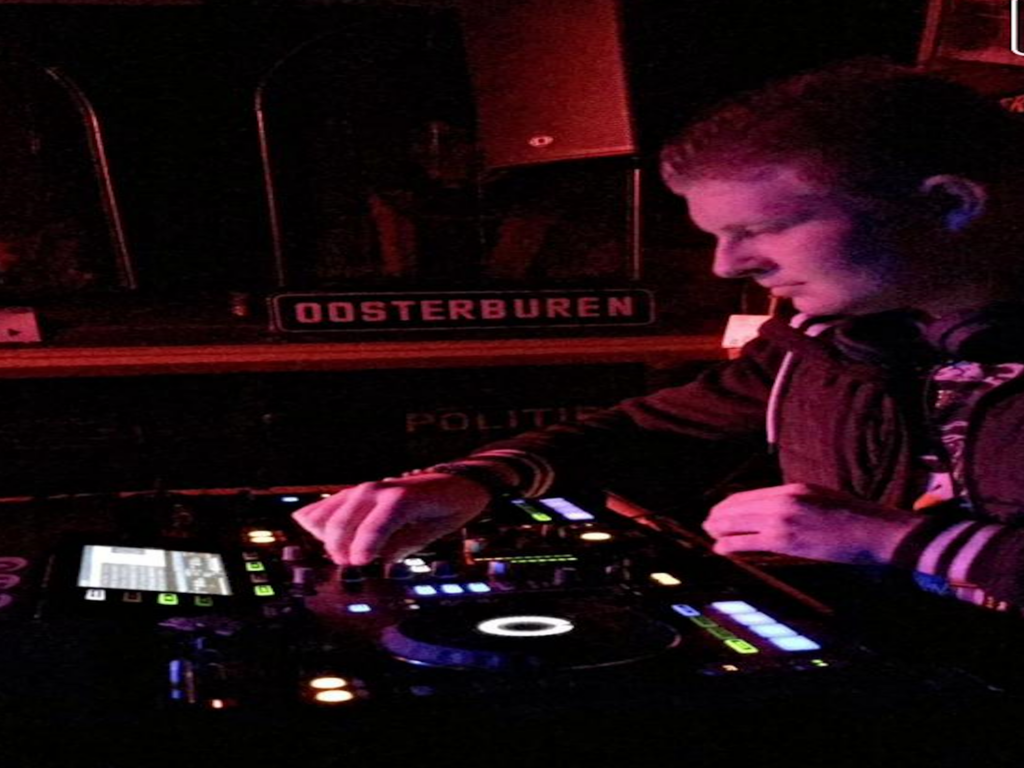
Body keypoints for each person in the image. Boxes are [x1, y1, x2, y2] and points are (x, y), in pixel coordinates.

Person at [294, 59, 1024, 612]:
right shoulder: (833, 343)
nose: (728, 265)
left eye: (765, 228)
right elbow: (645, 431)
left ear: (950, 204)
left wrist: (898, 541)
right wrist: (474, 481)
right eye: (718, 236)